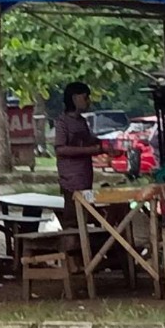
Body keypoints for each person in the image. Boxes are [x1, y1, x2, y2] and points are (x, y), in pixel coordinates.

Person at [53, 82, 103, 225]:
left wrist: (104, 146)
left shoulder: (81, 121)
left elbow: (89, 140)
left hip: (86, 179)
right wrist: (89, 150)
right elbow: (60, 149)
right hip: (71, 181)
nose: (88, 101)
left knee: (89, 214)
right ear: (75, 98)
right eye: (86, 98)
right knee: (74, 219)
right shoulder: (62, 122)